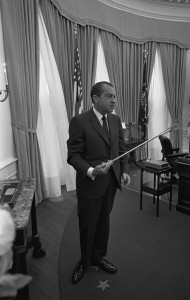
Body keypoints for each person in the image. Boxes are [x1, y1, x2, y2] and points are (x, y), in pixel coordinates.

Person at [67, 81, 131, 284]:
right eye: (109, 96)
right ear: (95, 98)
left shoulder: (115, 120)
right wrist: (90, 170)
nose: (114, 100)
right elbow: (73, 155)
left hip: (110, 183)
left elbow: (121, 150)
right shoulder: (79, 121)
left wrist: (124, 171)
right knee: (88, 225)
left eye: (114, 96)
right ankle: (84, 262)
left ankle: (98, 256)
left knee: (104, 222)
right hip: (90, 184)